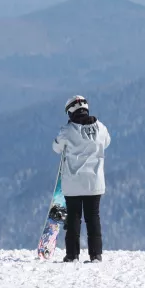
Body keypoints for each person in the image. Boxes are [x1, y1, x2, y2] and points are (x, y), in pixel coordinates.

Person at [52, 95, 111, 262]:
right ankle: (96, 255)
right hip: (95, 182)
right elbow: (107, 142)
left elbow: (56, 147)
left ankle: (72, 255)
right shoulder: (101, 127)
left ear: (70, 111)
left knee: (73, 218)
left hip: (73, 182)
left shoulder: (67, 130)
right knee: (93, 218)